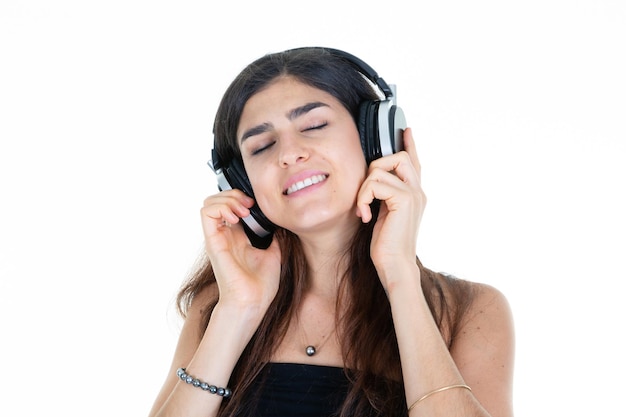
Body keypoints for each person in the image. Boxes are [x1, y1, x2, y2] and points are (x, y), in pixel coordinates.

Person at [148, 47, 515, 417]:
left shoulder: (471, 311)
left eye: (314, 126)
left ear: (377, 139)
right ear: (240, 183)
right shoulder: (218, 305)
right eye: (261, 146)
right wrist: (237, 310)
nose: (289, 154)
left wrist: (400, 275)